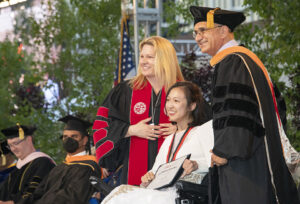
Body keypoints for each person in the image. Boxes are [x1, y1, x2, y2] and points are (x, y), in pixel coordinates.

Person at [189, 6, 300, 203]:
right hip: (259, 155)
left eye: (203, 30)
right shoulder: (247, 60)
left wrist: (225, 151)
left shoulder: (233, 62)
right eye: (196, 32)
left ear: (223, 31)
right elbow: (278, 110)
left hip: (243, 166)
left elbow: (236, 113)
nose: (198, 37)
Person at [93, 36, 185, 186]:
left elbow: (204, 125)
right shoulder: (125, 91)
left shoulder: (184, 90)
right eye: (142, 56)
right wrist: (130, 130)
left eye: (150, 57)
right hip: (133, 173)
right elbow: (101, 124)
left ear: (165, 60)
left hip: (175, 174)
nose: (143, 61)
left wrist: (181, 129)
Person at [102, 81, 213, 204]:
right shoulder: (169, 139)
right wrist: (149, 177)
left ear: (191, 106)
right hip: (164, 194)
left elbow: (217, 164)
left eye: (176, 101)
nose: (169, 105)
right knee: (120, 193)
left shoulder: (204, 131)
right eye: (168, 100)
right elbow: (156, 171)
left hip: (189, 195)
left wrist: (196, 165)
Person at [24, 115, 103, 204]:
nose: (68, 140)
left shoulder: (88, 168)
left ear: (84, 140)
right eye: (65, 137)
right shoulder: (58, 168)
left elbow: (71, 198)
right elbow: (38, 191)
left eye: (74, 136)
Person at [0, 124, 56, 204]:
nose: (13, 149)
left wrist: (12, 202)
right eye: (10, 145)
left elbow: (37, 191)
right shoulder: (17, 169)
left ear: (29, 140)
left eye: (16, 143)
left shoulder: (43, 163)